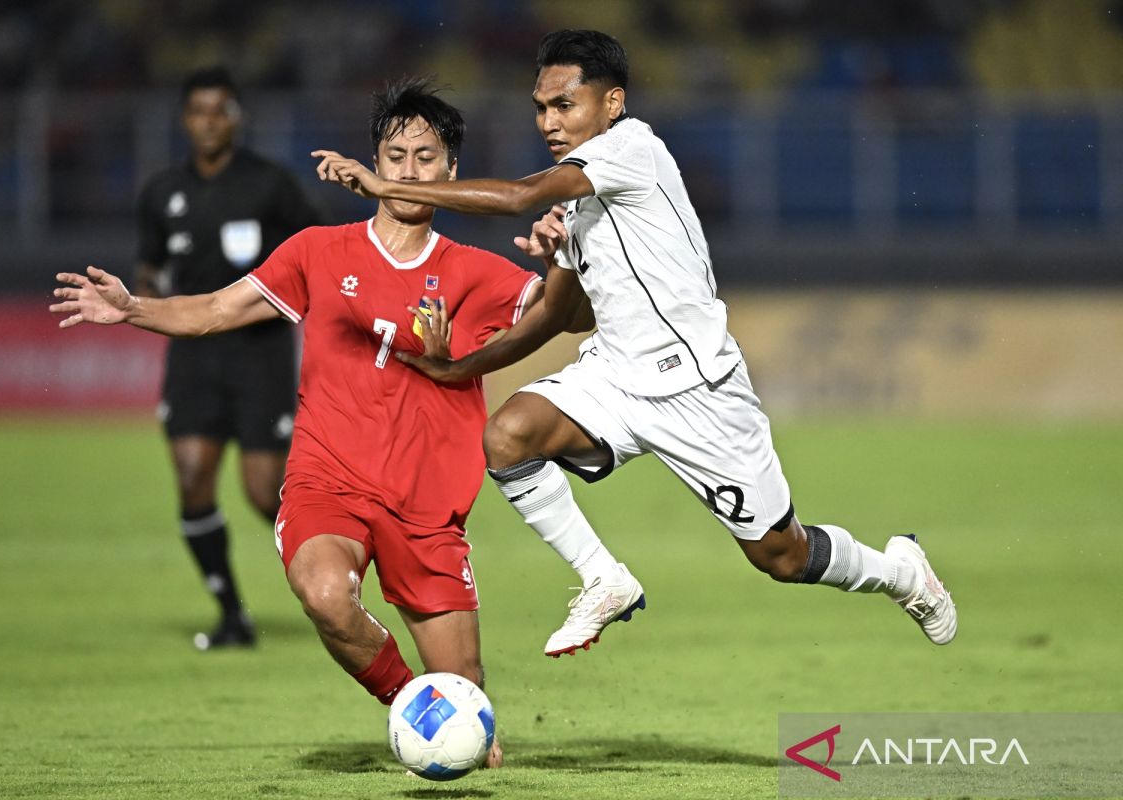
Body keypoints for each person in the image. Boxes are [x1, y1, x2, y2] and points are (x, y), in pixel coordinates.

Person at [313, 29, 958, 658]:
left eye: (565, 104)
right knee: (509, 436)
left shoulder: (630, 149)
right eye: (541, 107)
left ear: (611, 104)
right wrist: (462, 368)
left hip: (697, 389)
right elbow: (558, 317)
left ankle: (900, 573)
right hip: (617, 377)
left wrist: (387, 185)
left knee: (781, 556)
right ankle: (603, 577)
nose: (549, 120)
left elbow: (518, 195)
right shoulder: (573, 203)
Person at [53, 79, 551, 765]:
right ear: (375, 160)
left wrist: (566, 262)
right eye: (395, 154)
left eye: (426, 157)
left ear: (452, 171)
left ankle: (450, 711)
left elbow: (568, 314)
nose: (408, 171)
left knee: (471, 701)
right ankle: (415, 707)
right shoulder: (318, 252)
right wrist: (132, 307)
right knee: (324, 592)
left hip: (429, 504)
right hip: (331, 481)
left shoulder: (475, 272)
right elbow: (217, 311)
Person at [135, 66, 323, 650]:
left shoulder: (270, 185)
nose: (208, 122)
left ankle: (333, 584)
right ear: (185, 119)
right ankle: (231, 615)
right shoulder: (162, 192)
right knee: (193, 478)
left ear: (236, 118)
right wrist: (147, 291)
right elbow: (148, 263)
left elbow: (316, 253)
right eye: (198, 111)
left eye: (220, 111)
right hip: (192, 358)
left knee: (266, 493)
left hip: (258, 357)